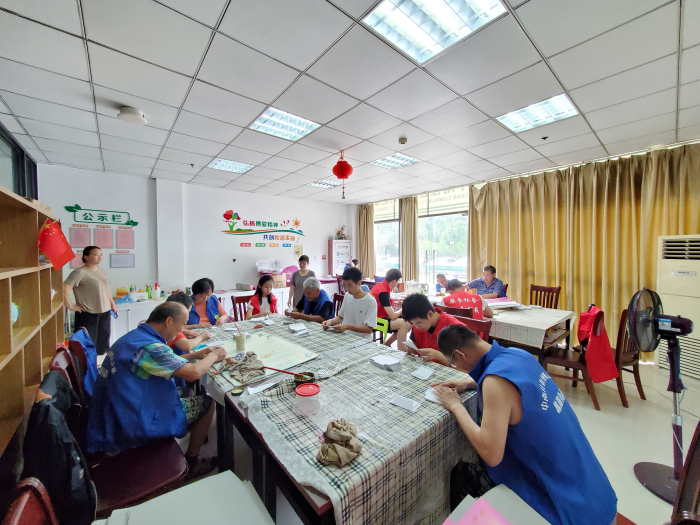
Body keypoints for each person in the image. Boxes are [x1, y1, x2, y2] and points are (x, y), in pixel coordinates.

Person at [431, 325, 617, 525]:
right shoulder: (519, 354)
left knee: (463, 475)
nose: (458, 367)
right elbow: (516, 386)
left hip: (571, 512)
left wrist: (456, 406)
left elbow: (491, 454)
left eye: (455, 363)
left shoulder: (495, 382)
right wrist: (470, 383)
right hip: (598, 497)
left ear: (460, 354)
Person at [86, 302, 227, 478]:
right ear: (168, 321)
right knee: (207, 403)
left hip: (114, 410)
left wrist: (195, 354)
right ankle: (192, 462)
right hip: (130, 421)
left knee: (184, 392)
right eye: (182, 325)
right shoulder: (151, 348)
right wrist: (215, 355)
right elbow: (193, 373)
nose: (182, 330)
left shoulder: (136, 337)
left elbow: (163, 360)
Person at [63, 246, 117, 355]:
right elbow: (64, 288)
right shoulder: (80, 272)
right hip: (88, 313)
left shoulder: (102, 271)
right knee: (87, 345)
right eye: (96, 254)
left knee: (103, 343)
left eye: (101, 254)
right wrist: (70, 306)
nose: (99, 257)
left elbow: (106, 289)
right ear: (86, 257)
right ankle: (88, 364)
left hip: (104, 312)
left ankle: (100, 363)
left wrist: (112, 304)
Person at [402, 293, 464, 366]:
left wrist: (437, 356)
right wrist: (411, 349)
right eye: (413, 323)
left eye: (418, 322)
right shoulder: (418, 325)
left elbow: (462, 366)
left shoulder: (455, 328)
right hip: (424, 368)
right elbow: (415, 345)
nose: (417, 327)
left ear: (430, 314)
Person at [322, 267, 377, 339]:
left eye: (349, 285)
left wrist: (348, 327)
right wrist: (330, 321)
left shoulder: (370, 302)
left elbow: (368, 329)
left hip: (362, 340)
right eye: (344, 285)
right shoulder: (347, 295)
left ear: (359, 283)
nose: (347, 288)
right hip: (346, 337)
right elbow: (340, 317)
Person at [369, 268, 409, 350]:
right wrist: (404, 308)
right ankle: (401, 352)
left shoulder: (380, 286)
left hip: (374, 317)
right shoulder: (383, 292)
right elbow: (393, 316)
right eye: (397, 281)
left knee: (408, 325)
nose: (397, 284)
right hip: (375, 321)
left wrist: (395, 300)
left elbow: (382, 301)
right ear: (393, 281)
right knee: (404, 324)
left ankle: (386, 345)